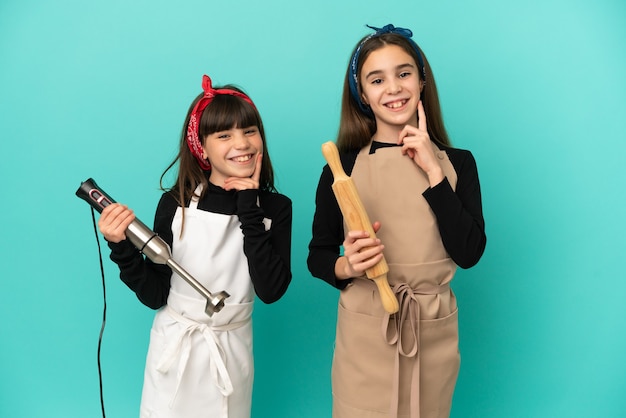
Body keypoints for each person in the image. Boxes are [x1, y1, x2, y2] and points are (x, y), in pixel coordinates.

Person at [308, 24, 486, 418]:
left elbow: (469, 252)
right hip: (366, 331)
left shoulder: (458, 164)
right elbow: (317, 256)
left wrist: (432, 173)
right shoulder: (343, 166)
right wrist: (347, 264)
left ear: (422, 82)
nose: (393, 88)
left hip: (432, 328)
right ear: (362, 95)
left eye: (404, 73)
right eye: (377, 79)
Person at [98, 74, 292, 418]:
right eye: (224, 135)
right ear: (200, 146)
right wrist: (121, 248)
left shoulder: (275, 209)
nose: (242, 143)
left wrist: (249, 202)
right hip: (174, 349)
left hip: (230, 353)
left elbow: (271, 290)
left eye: (249, 131)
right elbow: (156, 294)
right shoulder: (176, 204)